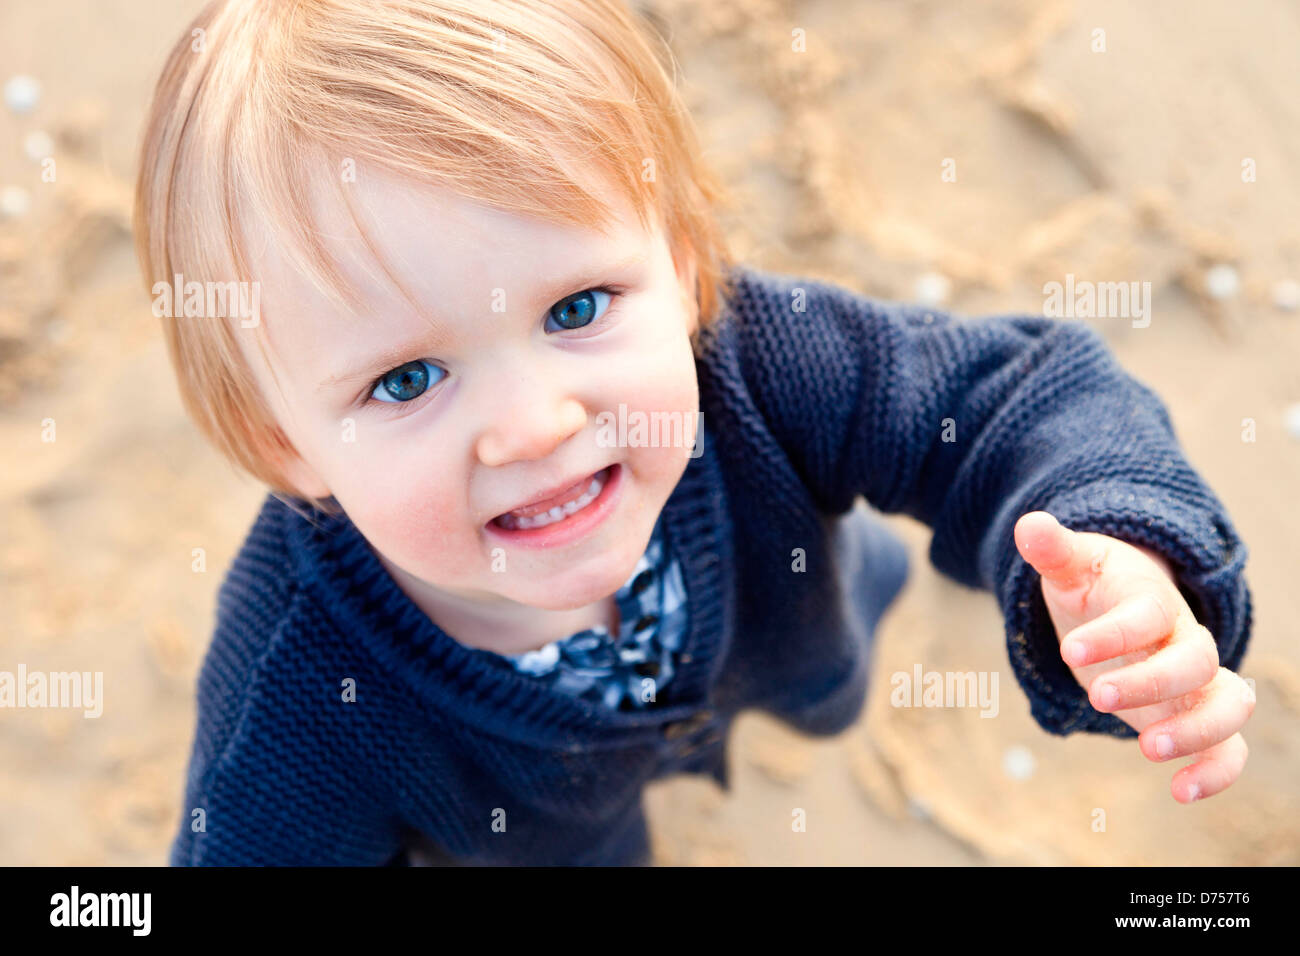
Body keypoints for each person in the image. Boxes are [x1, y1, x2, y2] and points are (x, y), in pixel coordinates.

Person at [134, 0, 1255, 865]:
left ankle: (825, 694)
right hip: (537, 824)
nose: (534, 425)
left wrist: (1123, 552)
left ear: (676, 264)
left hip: (794, 625)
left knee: (833, 681)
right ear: (278, 439)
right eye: (408, 377)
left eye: (574, 308)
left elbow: (1018, 396)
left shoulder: (764, 365)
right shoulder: (295, 696)